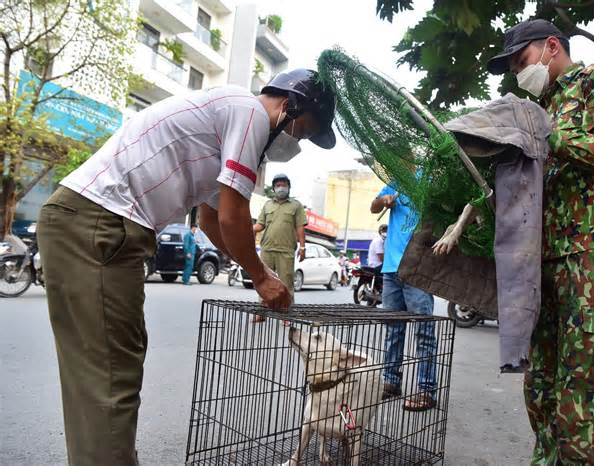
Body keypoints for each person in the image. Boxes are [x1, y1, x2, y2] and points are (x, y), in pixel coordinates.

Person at [36, 69, 336, 465]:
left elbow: (212, 222)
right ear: (289, 105)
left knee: (106, 369)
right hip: (99, 222)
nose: (296, 142)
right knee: (110, 376)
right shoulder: (248, 114)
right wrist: (261, 277)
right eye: (300, 132)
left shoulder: (226, 127)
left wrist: (253, 270)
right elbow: (233, 215)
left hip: (94, 222)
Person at [487, 19, 594, 465]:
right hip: (549, 263)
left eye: (522, 61)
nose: (520, 74)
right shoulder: (544, 107)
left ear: (551, 47)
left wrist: (547, 135)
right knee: (541, 388)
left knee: (585, 394)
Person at [371, 187, 437, 412]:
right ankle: (390, 381)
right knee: (393, 330)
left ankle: (426, 388)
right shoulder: (394, 181)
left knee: (424, 331)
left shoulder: (429, 180)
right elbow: (373, 207)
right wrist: (383, 200)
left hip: (418, 267)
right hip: (391, 269)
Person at [253, 173, 306, 321]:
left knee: (286, 282)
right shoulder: (267, 205)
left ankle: (287, 314)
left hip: (286, 250)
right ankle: (262, 312)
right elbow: (260, 224)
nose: (281, 188)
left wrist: (302, 247)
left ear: (288, 187)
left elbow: (300, 227)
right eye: (278, 185)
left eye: (284, 185)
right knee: (263, 280)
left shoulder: (296, 205)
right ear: (274, 187)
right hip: (267, 248)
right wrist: (251, 229)